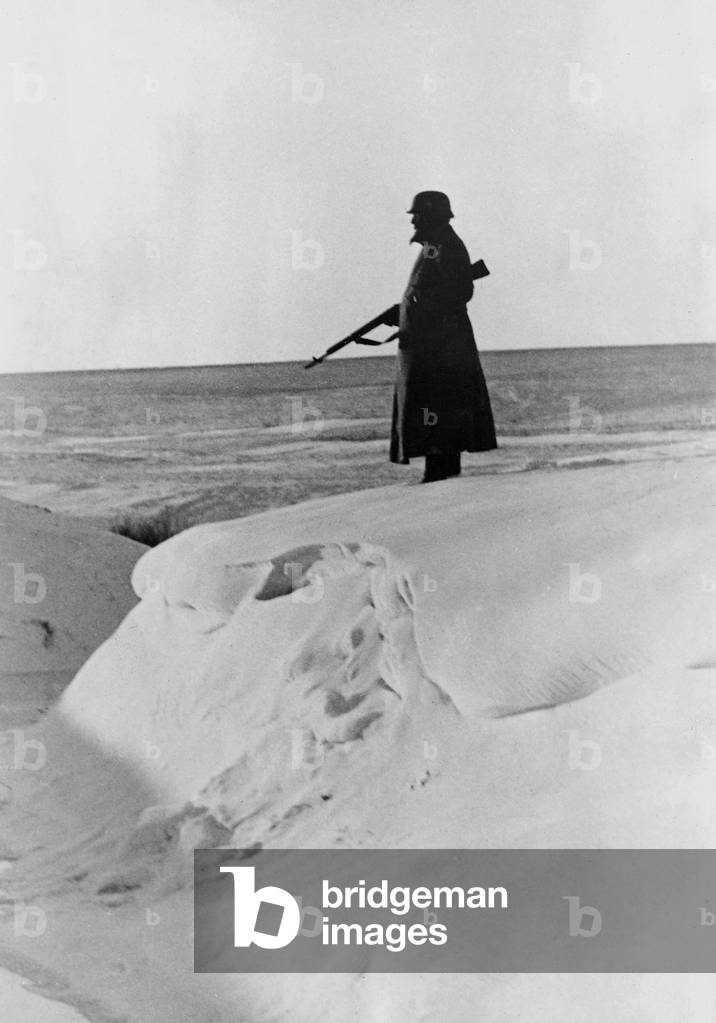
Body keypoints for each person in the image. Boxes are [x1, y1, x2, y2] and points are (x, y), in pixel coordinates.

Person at [387, 191, 497, 483]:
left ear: (431, 216)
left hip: (440, 350)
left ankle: (439, 474)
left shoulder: (442, 246)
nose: (413, 221)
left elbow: (460, 291)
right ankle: (440, 471)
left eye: (417, 215)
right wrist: (406, 310)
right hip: (435, 347)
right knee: (434, 408)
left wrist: (419, 309)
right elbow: (434, 288)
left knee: (437, 407)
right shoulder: (434, 247)